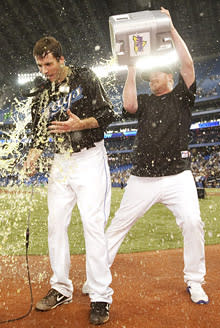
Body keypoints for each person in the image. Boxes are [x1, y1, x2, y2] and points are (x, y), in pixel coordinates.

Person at [84, 7, 209, 304]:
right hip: (143, 177)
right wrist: (130, 66)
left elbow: (188, 66)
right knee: (116, 228)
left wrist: (171, 26)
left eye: (155, 76)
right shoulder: (145, 101)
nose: (151, 80)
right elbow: (128, 105)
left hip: (179, 175)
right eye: (148, 78)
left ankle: (195, 281)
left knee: (192, 223)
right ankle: (96, 278)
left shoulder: (181, 96)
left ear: (169, 76)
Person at [24, 36, 118, 325]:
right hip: (61, 162)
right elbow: (39, 131)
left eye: (49, 64)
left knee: (93, 225)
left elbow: (107, 113)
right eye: (40, 65)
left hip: (89, 158)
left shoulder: (85, 76)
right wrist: (33, 153)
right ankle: (61, 287)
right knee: (55, 224)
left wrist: (80, 124)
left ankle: (101, 295)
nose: (45, 70)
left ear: (61, 60)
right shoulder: (41, 92)